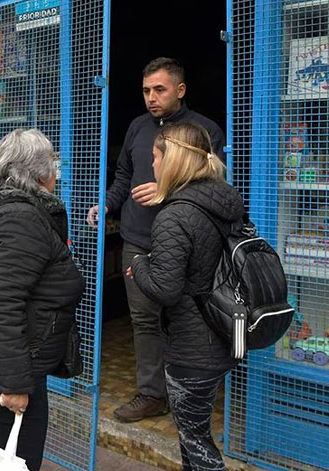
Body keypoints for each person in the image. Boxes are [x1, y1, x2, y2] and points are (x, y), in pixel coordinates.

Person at [87, 57, 225, 423]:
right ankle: (151, 394)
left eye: (160, 90)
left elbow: (215, 187)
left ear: (180, 90)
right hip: (138, 239)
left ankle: (189, 396)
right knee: (144, 321)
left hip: (186, 243)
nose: (151, 97)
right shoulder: (137, 127)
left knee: (188, 320)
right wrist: (107, 204)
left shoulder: (204, 130)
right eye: (146, 90)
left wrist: (167, 193)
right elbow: (124, 176)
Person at [0, 128, 84, 471]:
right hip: (6, 365)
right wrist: (13, 384)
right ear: (40, 172)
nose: (57, 171)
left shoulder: (14, 210)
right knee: (20, 463)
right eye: (54, 163)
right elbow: (3, 303)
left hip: (4, 357)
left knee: (10, 455)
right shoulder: (22, 219)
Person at [128, 122, 244, 471]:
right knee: (194, 427)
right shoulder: (226, 200)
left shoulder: (175, 215)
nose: (152, 165)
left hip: (193, 346)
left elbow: (165, 288)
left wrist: (140, 263)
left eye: (155, 157)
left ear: (173, 161)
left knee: (196, 438)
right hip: (224, 331)